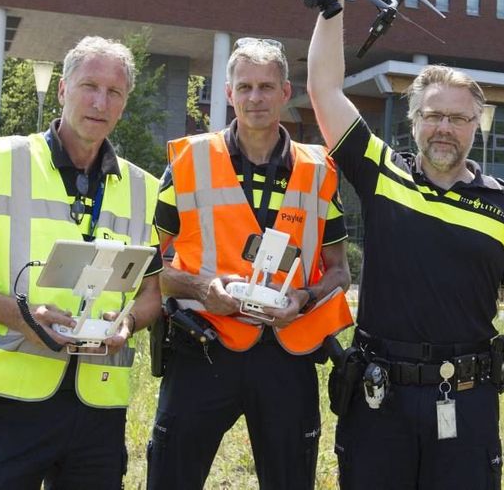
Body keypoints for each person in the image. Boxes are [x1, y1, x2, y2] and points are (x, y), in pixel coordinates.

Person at [306, 0, 504, 489]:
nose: (444, 128)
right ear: (414, 121)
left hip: (467, 401)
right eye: (433, 115)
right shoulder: (381, 173)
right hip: (378, 403)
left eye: (458, 118)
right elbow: (324, 90)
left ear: (477, 125)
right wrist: (334, 3)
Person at [0, 36, 162, 489]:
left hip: (98, 408)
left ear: (125, 102)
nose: (100, 101)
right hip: (7, 400)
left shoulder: (144, 189)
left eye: (114, 92)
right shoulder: (0, 160)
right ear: (62, 90)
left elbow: (153, 292)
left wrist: (129, 322)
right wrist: (24, 317)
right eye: (89, 85)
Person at [146, 37, 353, 490]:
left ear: (285, 92)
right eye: (245, 87)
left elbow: (340, 271)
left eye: (266, 86)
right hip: (203, 348)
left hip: (287, 355)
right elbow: (150, 267)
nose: (255, 98)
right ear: (228, 93)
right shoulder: (188, 163)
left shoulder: (320, 170)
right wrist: (202, 290)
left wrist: (305, 296)